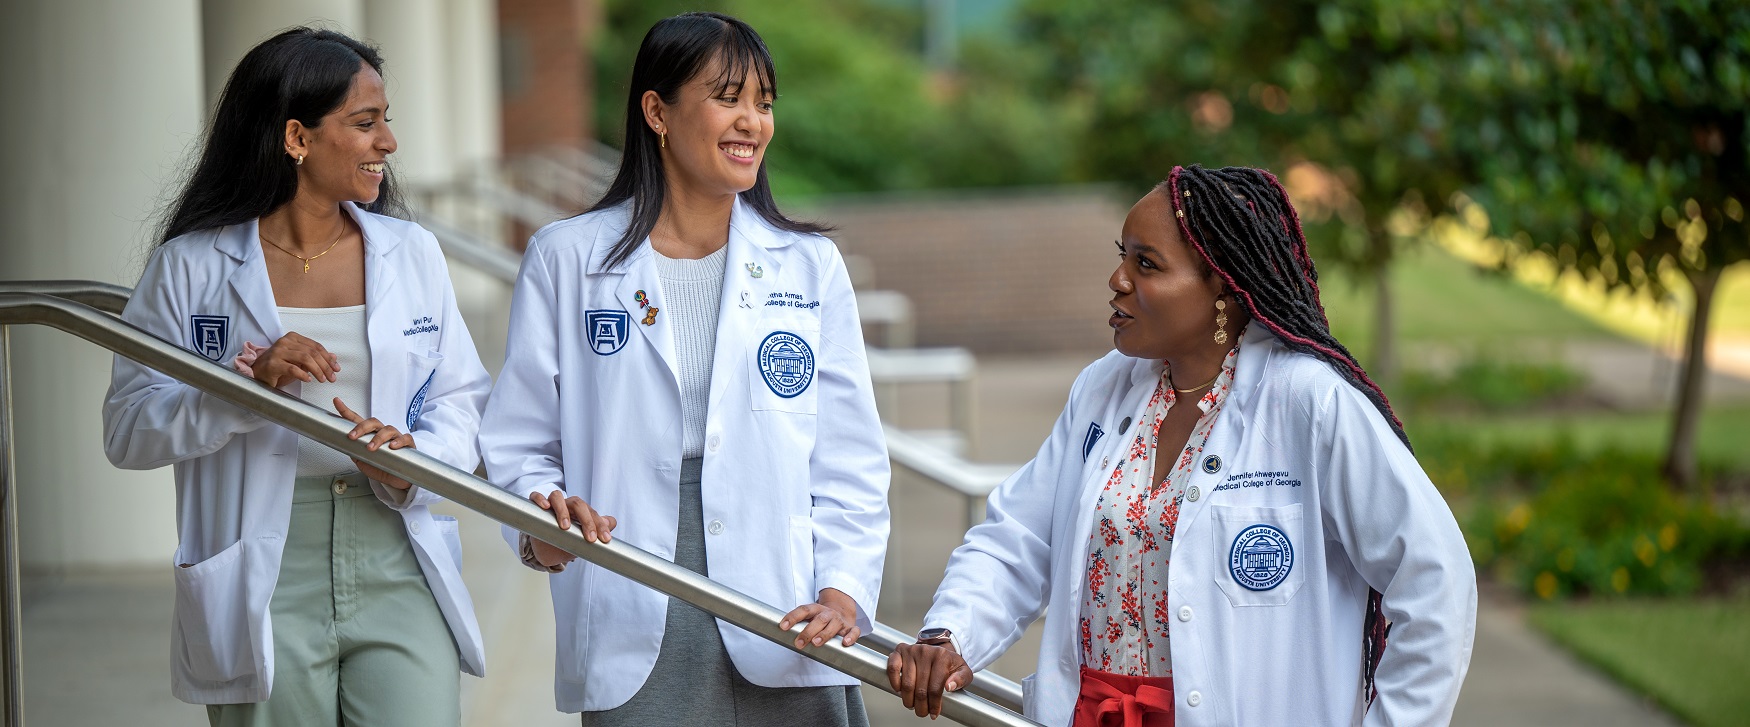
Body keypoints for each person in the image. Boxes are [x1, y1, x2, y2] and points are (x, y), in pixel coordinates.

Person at [886, 165, 1476, 726]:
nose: (1118, 281)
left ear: (1221, 284)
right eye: (1123, 257)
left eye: (1147, 265)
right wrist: (951, 633)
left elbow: (1434, 580)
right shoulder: (1104, 389)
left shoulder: (1309, 403)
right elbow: (1018, 537)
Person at [478, 11, 890, 726]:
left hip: (787, 606)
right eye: (729, 97)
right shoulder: (567, 258)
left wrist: (845, 589)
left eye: (764, 103)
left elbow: (850, 456)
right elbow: (518, 441)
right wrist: (540, 522)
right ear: (657, 111)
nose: (752, 122)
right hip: (634, 587)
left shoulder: (808, 266)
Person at [102, 27, 489, 726]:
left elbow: (462, 400)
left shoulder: (412, 253)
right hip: (267, 562)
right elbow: (128, 428)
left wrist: (416, 459)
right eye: (365, 124)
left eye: (387, 121)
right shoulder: (192, 266)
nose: (388, 143)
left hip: (394, 546)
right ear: (296, 138)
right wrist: (243, 393)